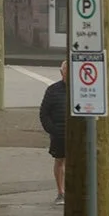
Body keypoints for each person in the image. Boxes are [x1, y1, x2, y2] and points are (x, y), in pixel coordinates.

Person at [39, 63, 70, 204]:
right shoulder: (53, 90)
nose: (68, 72)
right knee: (59, 161)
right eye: (65, 70)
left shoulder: (79, 90)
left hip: (77, 135)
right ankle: (60, 192)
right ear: (61, 72)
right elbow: (44, 113)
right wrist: (53, 130)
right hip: (59, 134)